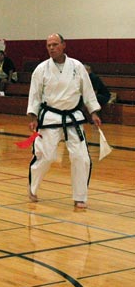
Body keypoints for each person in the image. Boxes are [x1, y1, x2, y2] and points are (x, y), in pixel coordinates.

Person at [27, 33, 101, 209]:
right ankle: (33, 187)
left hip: (73, 117)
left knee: (81, 157)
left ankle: (80, 196)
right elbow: (35, 95)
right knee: (46, 156)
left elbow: (88, 91)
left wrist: (94, 112)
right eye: (48, 45)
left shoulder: (77, 66)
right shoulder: (41, 69)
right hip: (50, 117)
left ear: (63, 45)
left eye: (55, 44)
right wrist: (33, 116)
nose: (51, 48)